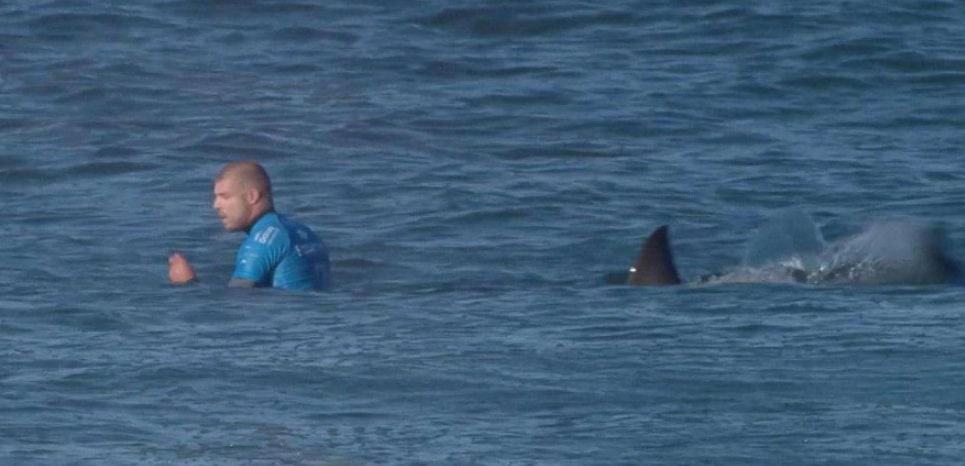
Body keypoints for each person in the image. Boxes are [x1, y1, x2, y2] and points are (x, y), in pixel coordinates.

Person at [168, 161, 331, 290]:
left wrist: (188, 283)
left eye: (224, 197)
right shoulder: (303, 231)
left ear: (251, 196)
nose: (216, 205)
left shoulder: (261, 242)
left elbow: (235, 304)